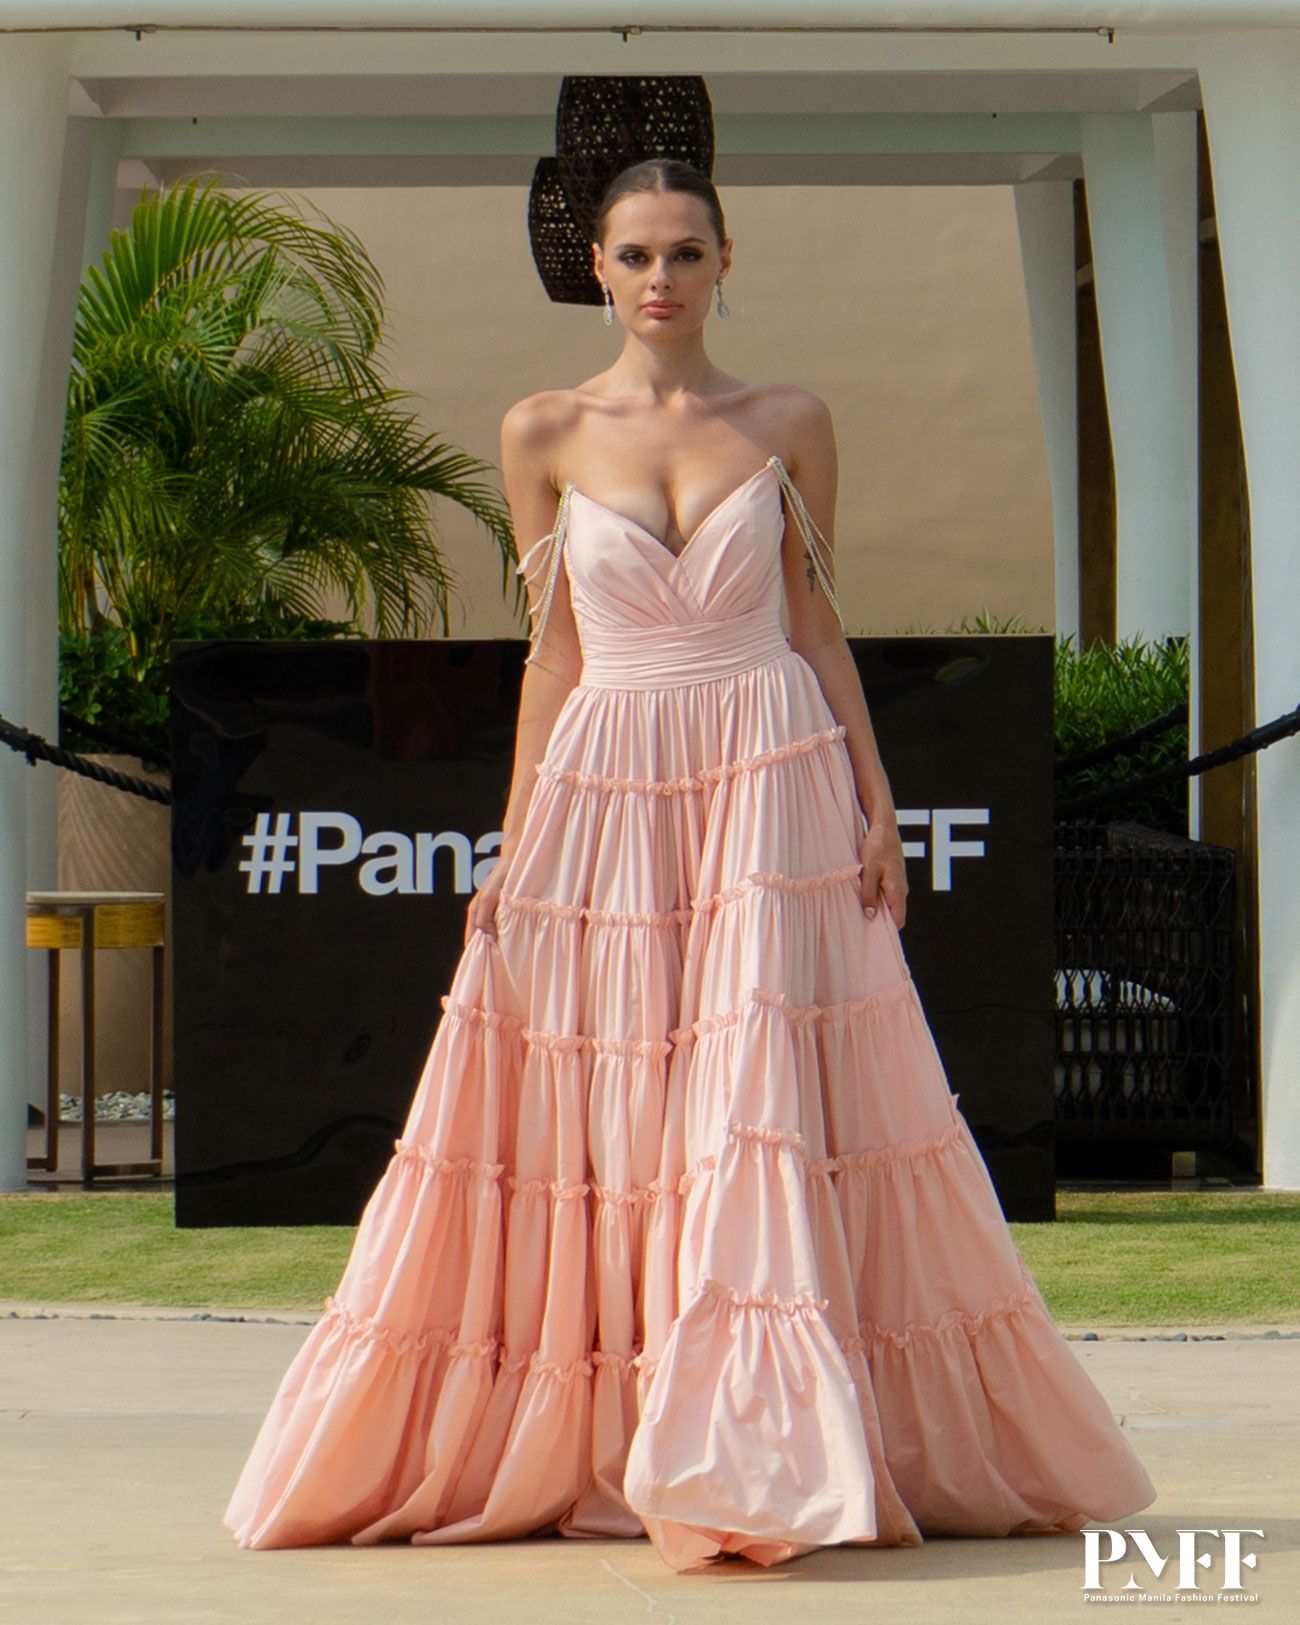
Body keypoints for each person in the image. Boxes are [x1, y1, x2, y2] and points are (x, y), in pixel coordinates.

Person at [223, 157, 1157, 1573]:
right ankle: (633, 1419)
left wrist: (877, 800)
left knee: (753, 1094)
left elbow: (817, 622)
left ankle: (772, 1447)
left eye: (686, 252)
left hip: (769, 776)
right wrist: (514, 843)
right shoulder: (541, 429)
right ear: (596, 269)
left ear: (727, 262)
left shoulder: (790, 420)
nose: (661, 278)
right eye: (636, 254)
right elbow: (553, 654)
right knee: (621, 1101)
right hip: (611, 781)